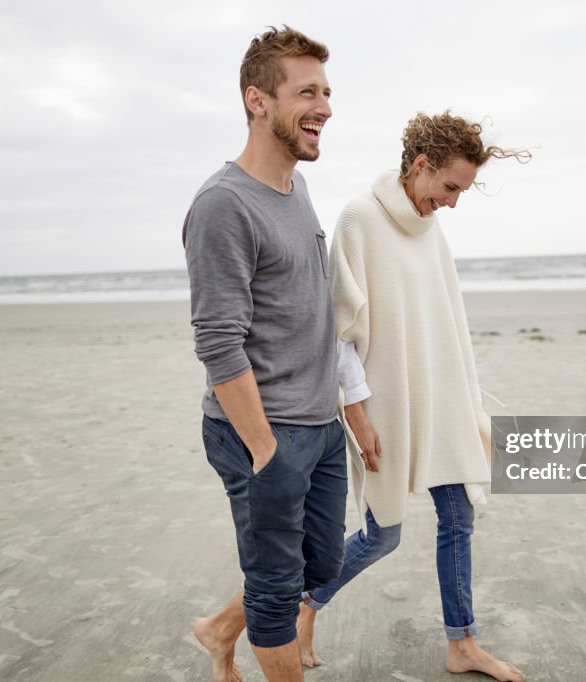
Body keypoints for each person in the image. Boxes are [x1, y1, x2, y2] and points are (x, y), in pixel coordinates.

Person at [297, 111, 529, 681]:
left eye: (462, 191)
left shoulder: (431, 228)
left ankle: (462, 643)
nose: (451, 202)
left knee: (459, 514)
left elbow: (442, 318)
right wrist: (357, 413)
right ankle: (306, 604)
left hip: (440, 394)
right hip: (386, 401)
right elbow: (339, 332)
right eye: (450, 187)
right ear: (421, 166)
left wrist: (463, 396)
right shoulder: (358, 220)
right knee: (384, 534)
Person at [182, 26, 346, 682]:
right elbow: (218, 342)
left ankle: (219, 628)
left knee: (321, 567)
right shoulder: (223, 205)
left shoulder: (296, 189)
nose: (326, 107)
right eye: (308, 92)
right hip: (264, 432)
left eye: (328, 92)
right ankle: (237, 639)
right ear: (258, 101)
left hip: (319, 425)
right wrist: (265, 451)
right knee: (277, 597)